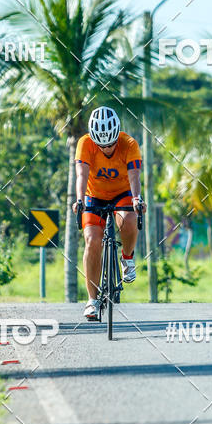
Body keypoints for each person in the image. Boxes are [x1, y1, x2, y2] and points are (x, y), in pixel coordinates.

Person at [73, 107, 146, 320]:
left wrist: (136, 199)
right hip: (94, 195)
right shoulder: (84, 143)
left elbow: (134, 176)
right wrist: (79, 200)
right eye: (101, 145)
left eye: (111, 144)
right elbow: (81, 175)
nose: (106, 149)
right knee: (92, 240)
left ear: (117, 137)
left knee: (130, 218)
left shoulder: (129, 144)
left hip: (122, 193)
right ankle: (92, 300)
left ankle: (127, 258)